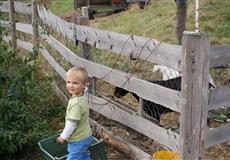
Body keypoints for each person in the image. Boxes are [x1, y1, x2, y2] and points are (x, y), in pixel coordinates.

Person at [57, 67, 92, 160]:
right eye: (68, 82)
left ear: (84, 85)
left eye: (75, 83)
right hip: (85, 136)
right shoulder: (81, 94)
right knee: (82, 156)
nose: (71, 86)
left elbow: (72, 124)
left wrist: (63, 136)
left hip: (78, 140)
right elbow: (85, 89)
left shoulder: (77, 104)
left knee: (73, 158)